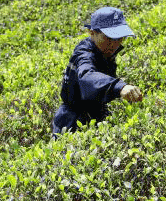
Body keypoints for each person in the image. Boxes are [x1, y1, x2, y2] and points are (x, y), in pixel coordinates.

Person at [52, 7, 143, 136]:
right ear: (92, 32)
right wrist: (119, 87)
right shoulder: (84, 54)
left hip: (96, 114)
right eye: (109, 38)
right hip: (72, 122)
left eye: (120, 38)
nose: (115, 44)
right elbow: (87, 75)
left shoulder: (104, 50)